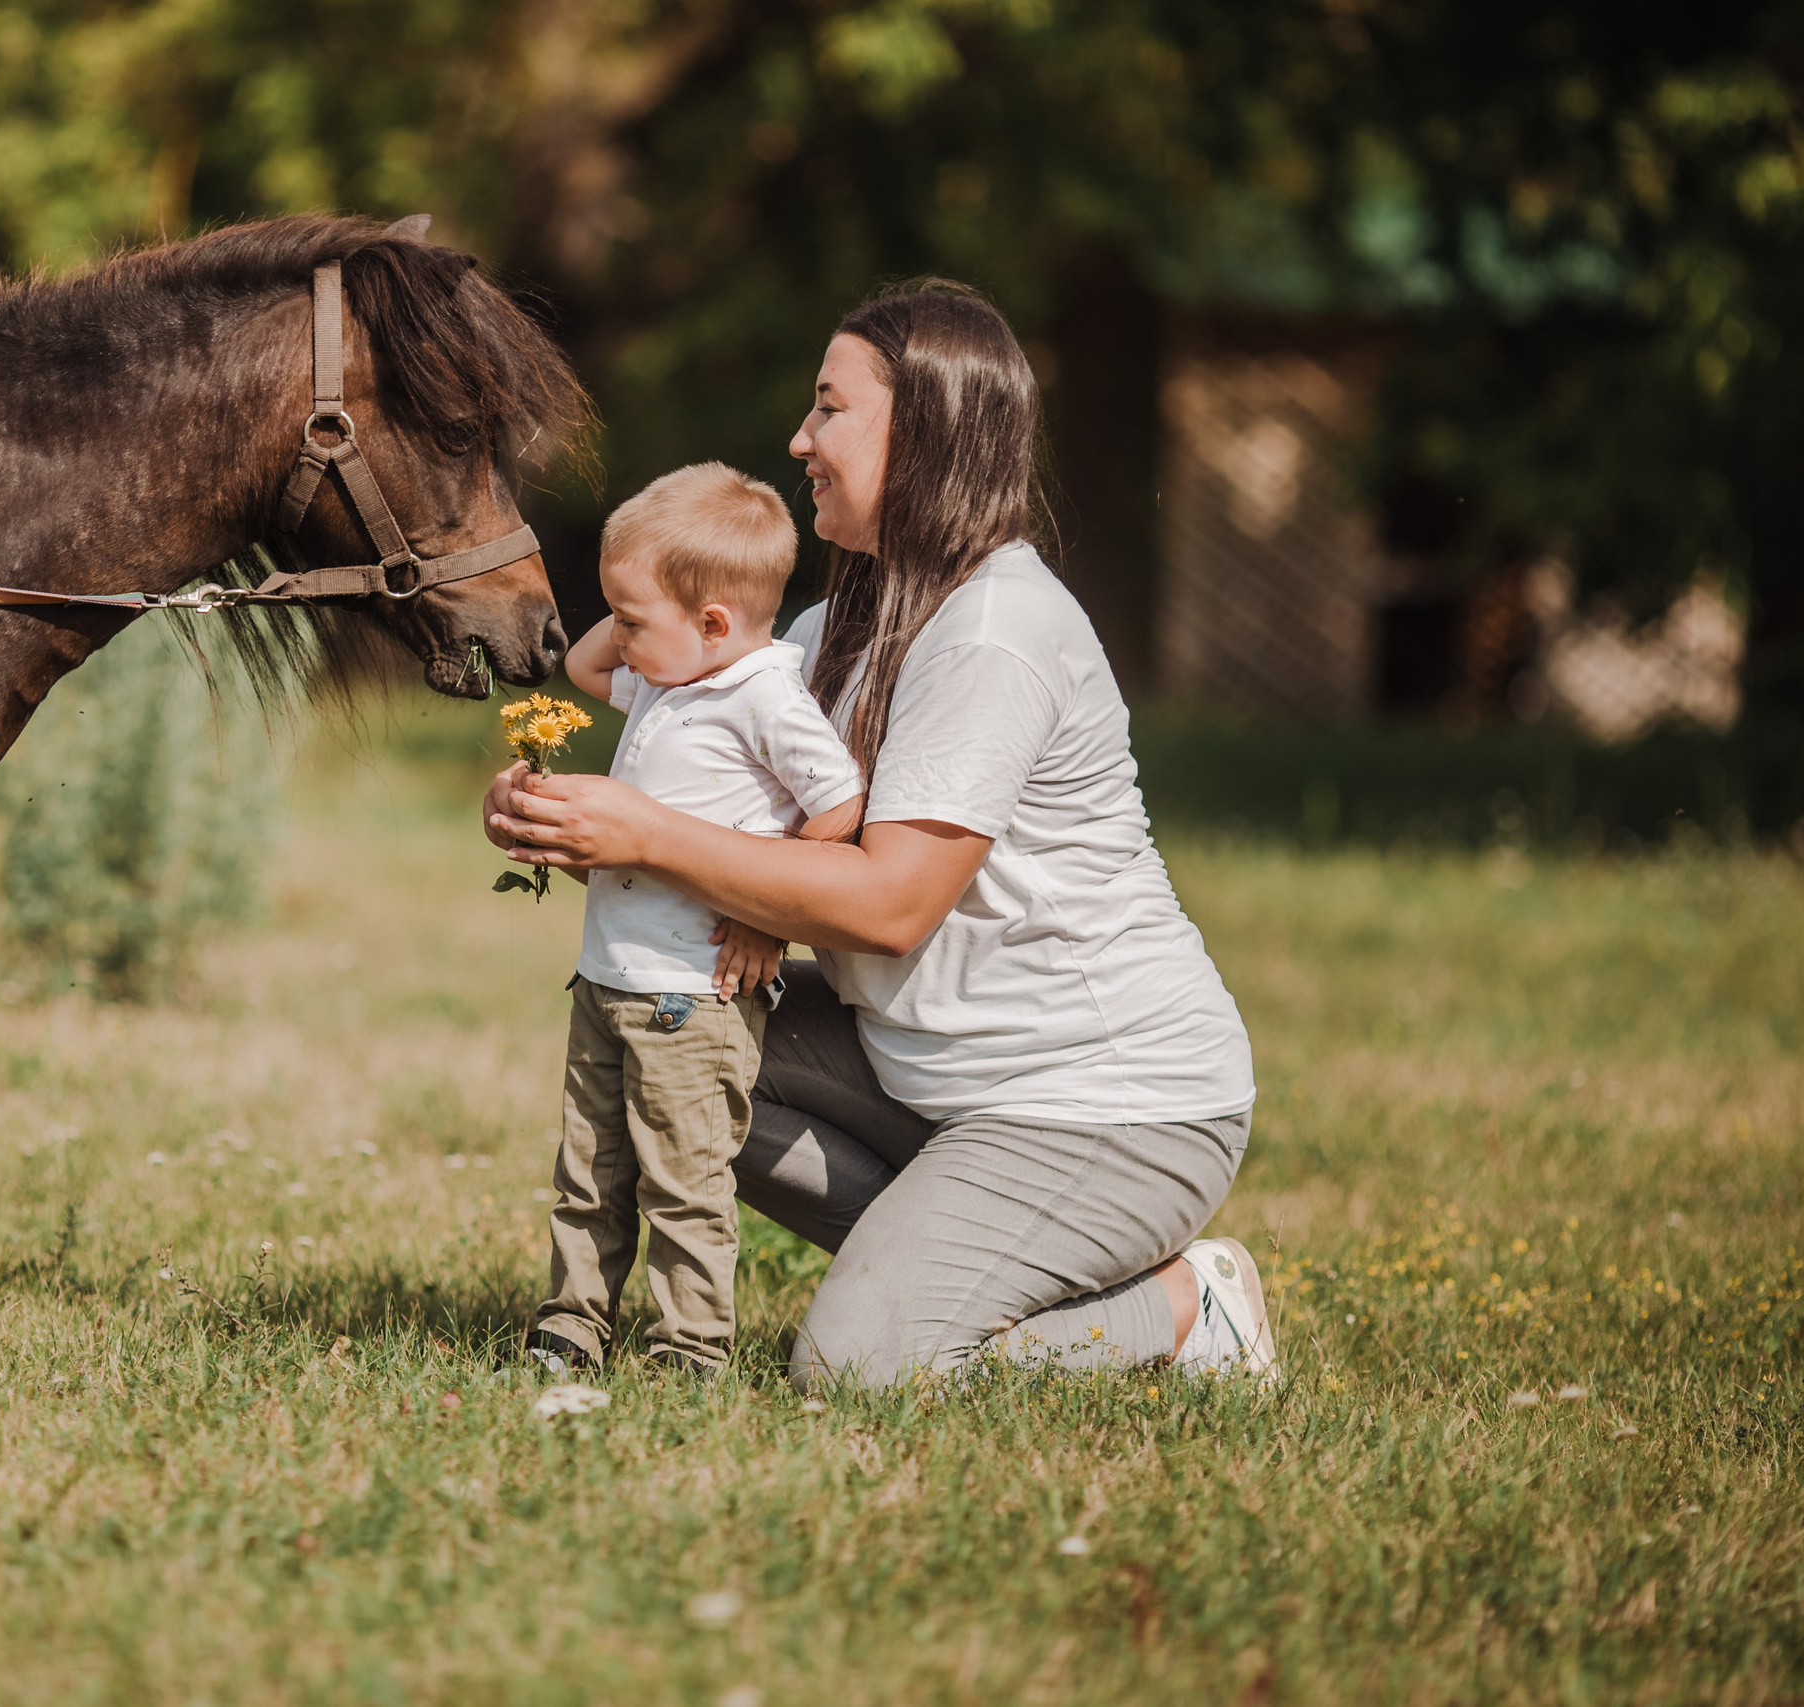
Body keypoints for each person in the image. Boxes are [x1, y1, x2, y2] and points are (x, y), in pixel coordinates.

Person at [487, 283, 1277, 1389]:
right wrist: (560, 814)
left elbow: (891, 905)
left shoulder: (993, 633)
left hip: (1106, 1107)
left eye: (830, 410)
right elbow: (692, 750)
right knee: (663, 1045)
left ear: (930, 434)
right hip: (928, 1071)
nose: (799, 440)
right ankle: (947, 1270)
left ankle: (1186, 1310)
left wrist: (649, 835)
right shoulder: (827, 627)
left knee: (860, 1371)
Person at [525, 463, 866, 1378]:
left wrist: (771, 909)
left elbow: (840, 807)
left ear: (714, 624)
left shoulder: (762, 694)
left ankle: (692, 1346)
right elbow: (583, 662)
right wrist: (635, 592)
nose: (620, 641)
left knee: (684, 1180)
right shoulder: (672, 679)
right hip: (608, 977)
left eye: (633, 621)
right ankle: (573, 1321)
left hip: (691, 993)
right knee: (590, 1169)